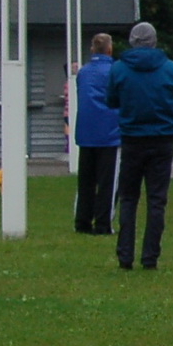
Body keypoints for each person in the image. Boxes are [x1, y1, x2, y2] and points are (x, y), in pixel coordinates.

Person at [106, 21, 173, 270]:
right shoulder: (169, 68)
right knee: (156, 200)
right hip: (162, 139)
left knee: (129, 197)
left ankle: (125, 256)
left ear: (132, 41)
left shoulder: (120, 69)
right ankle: (150, 257)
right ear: (154, 41)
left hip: (132, 138)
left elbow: (111, 99)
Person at [73, 32, 121, 236]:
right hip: (110, 132)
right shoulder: (115, 71)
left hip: (86, 132)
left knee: (86, 180)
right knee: (108, 182)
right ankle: (103, 223)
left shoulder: (83, 72)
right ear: (109, 49)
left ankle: (82, 220)